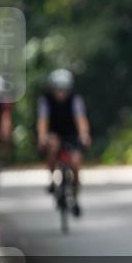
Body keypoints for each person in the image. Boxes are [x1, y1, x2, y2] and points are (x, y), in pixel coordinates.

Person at [37, 69, 91, 215]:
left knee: (75, 163)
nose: (61, 93)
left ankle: (75, 196)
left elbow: (80, 118)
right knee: (52, 146)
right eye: (57, 90)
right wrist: (42, 136)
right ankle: (52, 179)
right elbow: (43, 120)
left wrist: (84, 134)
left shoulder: (75, 99)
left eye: (64, 90)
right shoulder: (45, 100)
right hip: (54, 133)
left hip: (72, 134)